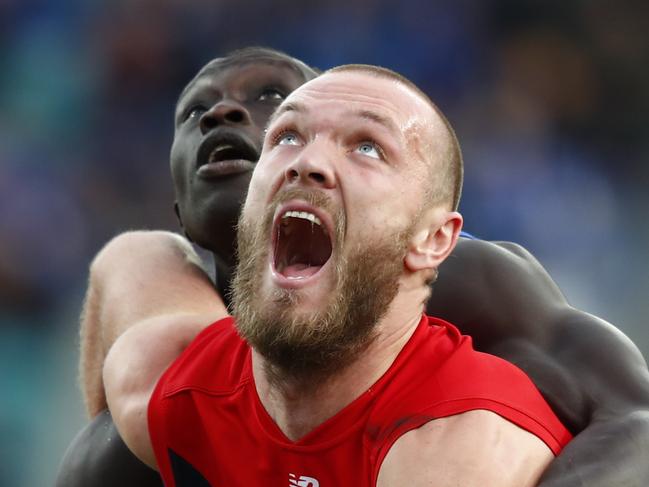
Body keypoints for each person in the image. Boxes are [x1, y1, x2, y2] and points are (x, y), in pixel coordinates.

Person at [55, 48, 649, 486]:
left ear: (430, 241)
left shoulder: (458, 422)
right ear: (188, 211)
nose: (225, 116)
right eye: (289, 135)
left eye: (365, 144)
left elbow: (637, 417)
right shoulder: (163, 374)